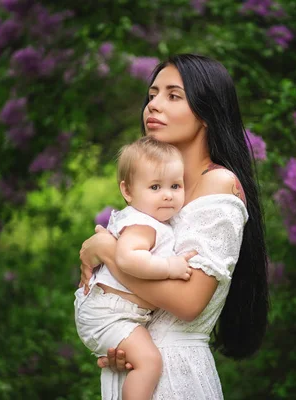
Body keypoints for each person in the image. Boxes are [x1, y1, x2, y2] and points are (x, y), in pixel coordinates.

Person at [78, 54, 269, 399]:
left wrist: (107, 250)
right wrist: (118, 338)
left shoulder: (218, 183)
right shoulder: (161, 191)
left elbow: (187, 301)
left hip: (177, 376)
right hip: (142, 371)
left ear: (207, 113)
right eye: (152, 95)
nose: (154, 105)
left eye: (173, 95)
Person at [75, 136, 193, 400]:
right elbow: (127, 259)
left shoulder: (151, 220)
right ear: (128, 192)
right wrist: (170, 267)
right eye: (154, 187)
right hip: (110, 313)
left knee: (146, 360)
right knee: (149, 362)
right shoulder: (143, 225)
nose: (167, 194)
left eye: (175, 185)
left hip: (113, 310)